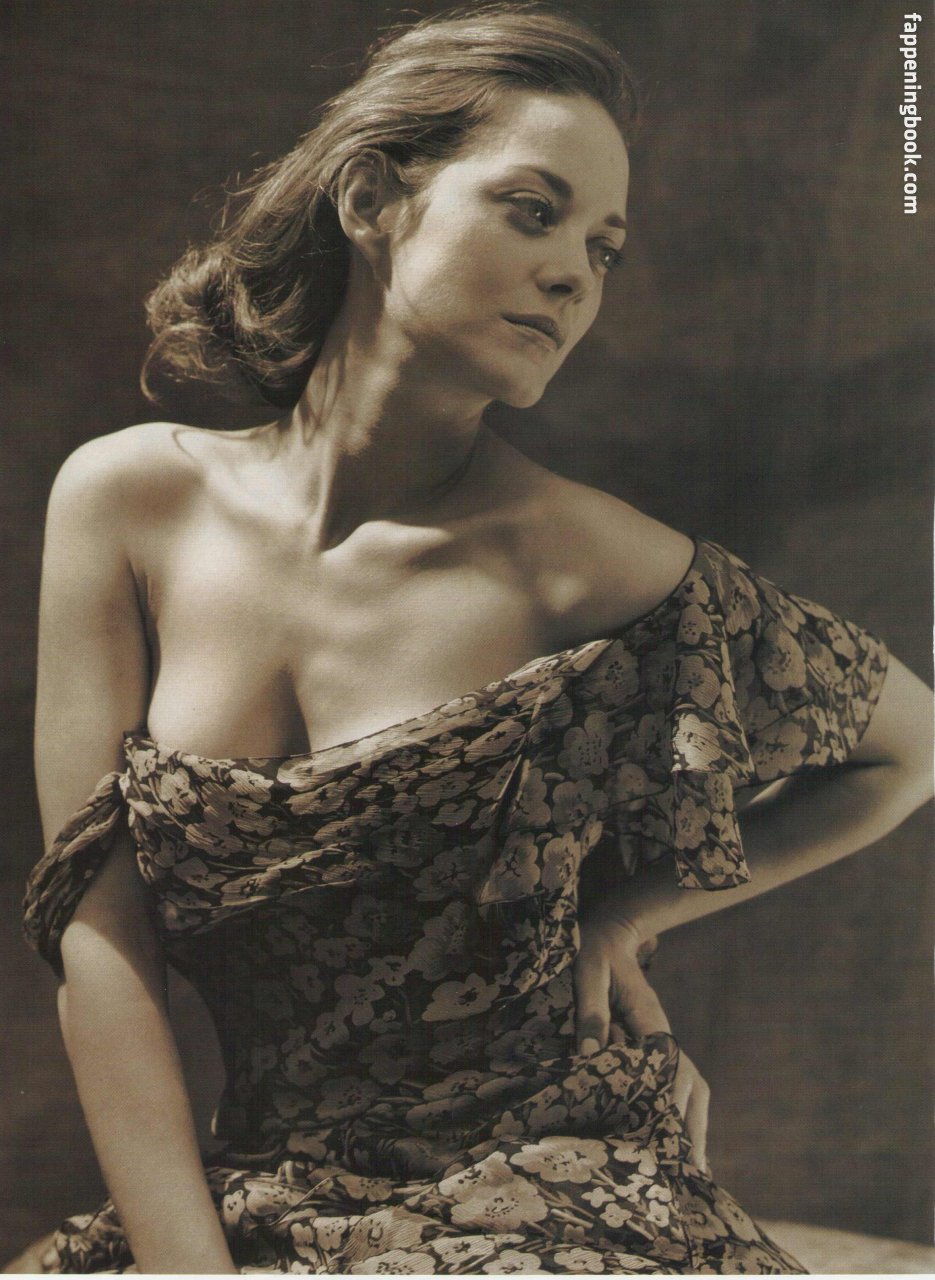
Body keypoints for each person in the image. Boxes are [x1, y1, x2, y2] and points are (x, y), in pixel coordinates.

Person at [15, 3, 932, 1273]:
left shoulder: (578, 556)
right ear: (370, 198)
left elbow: (909, 745)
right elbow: (98, 936)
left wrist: (623, 915)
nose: (573, 275)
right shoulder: (125, 501)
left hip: (551, 1183)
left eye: (602, 248)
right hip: (262, 1186)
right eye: (530, 209)